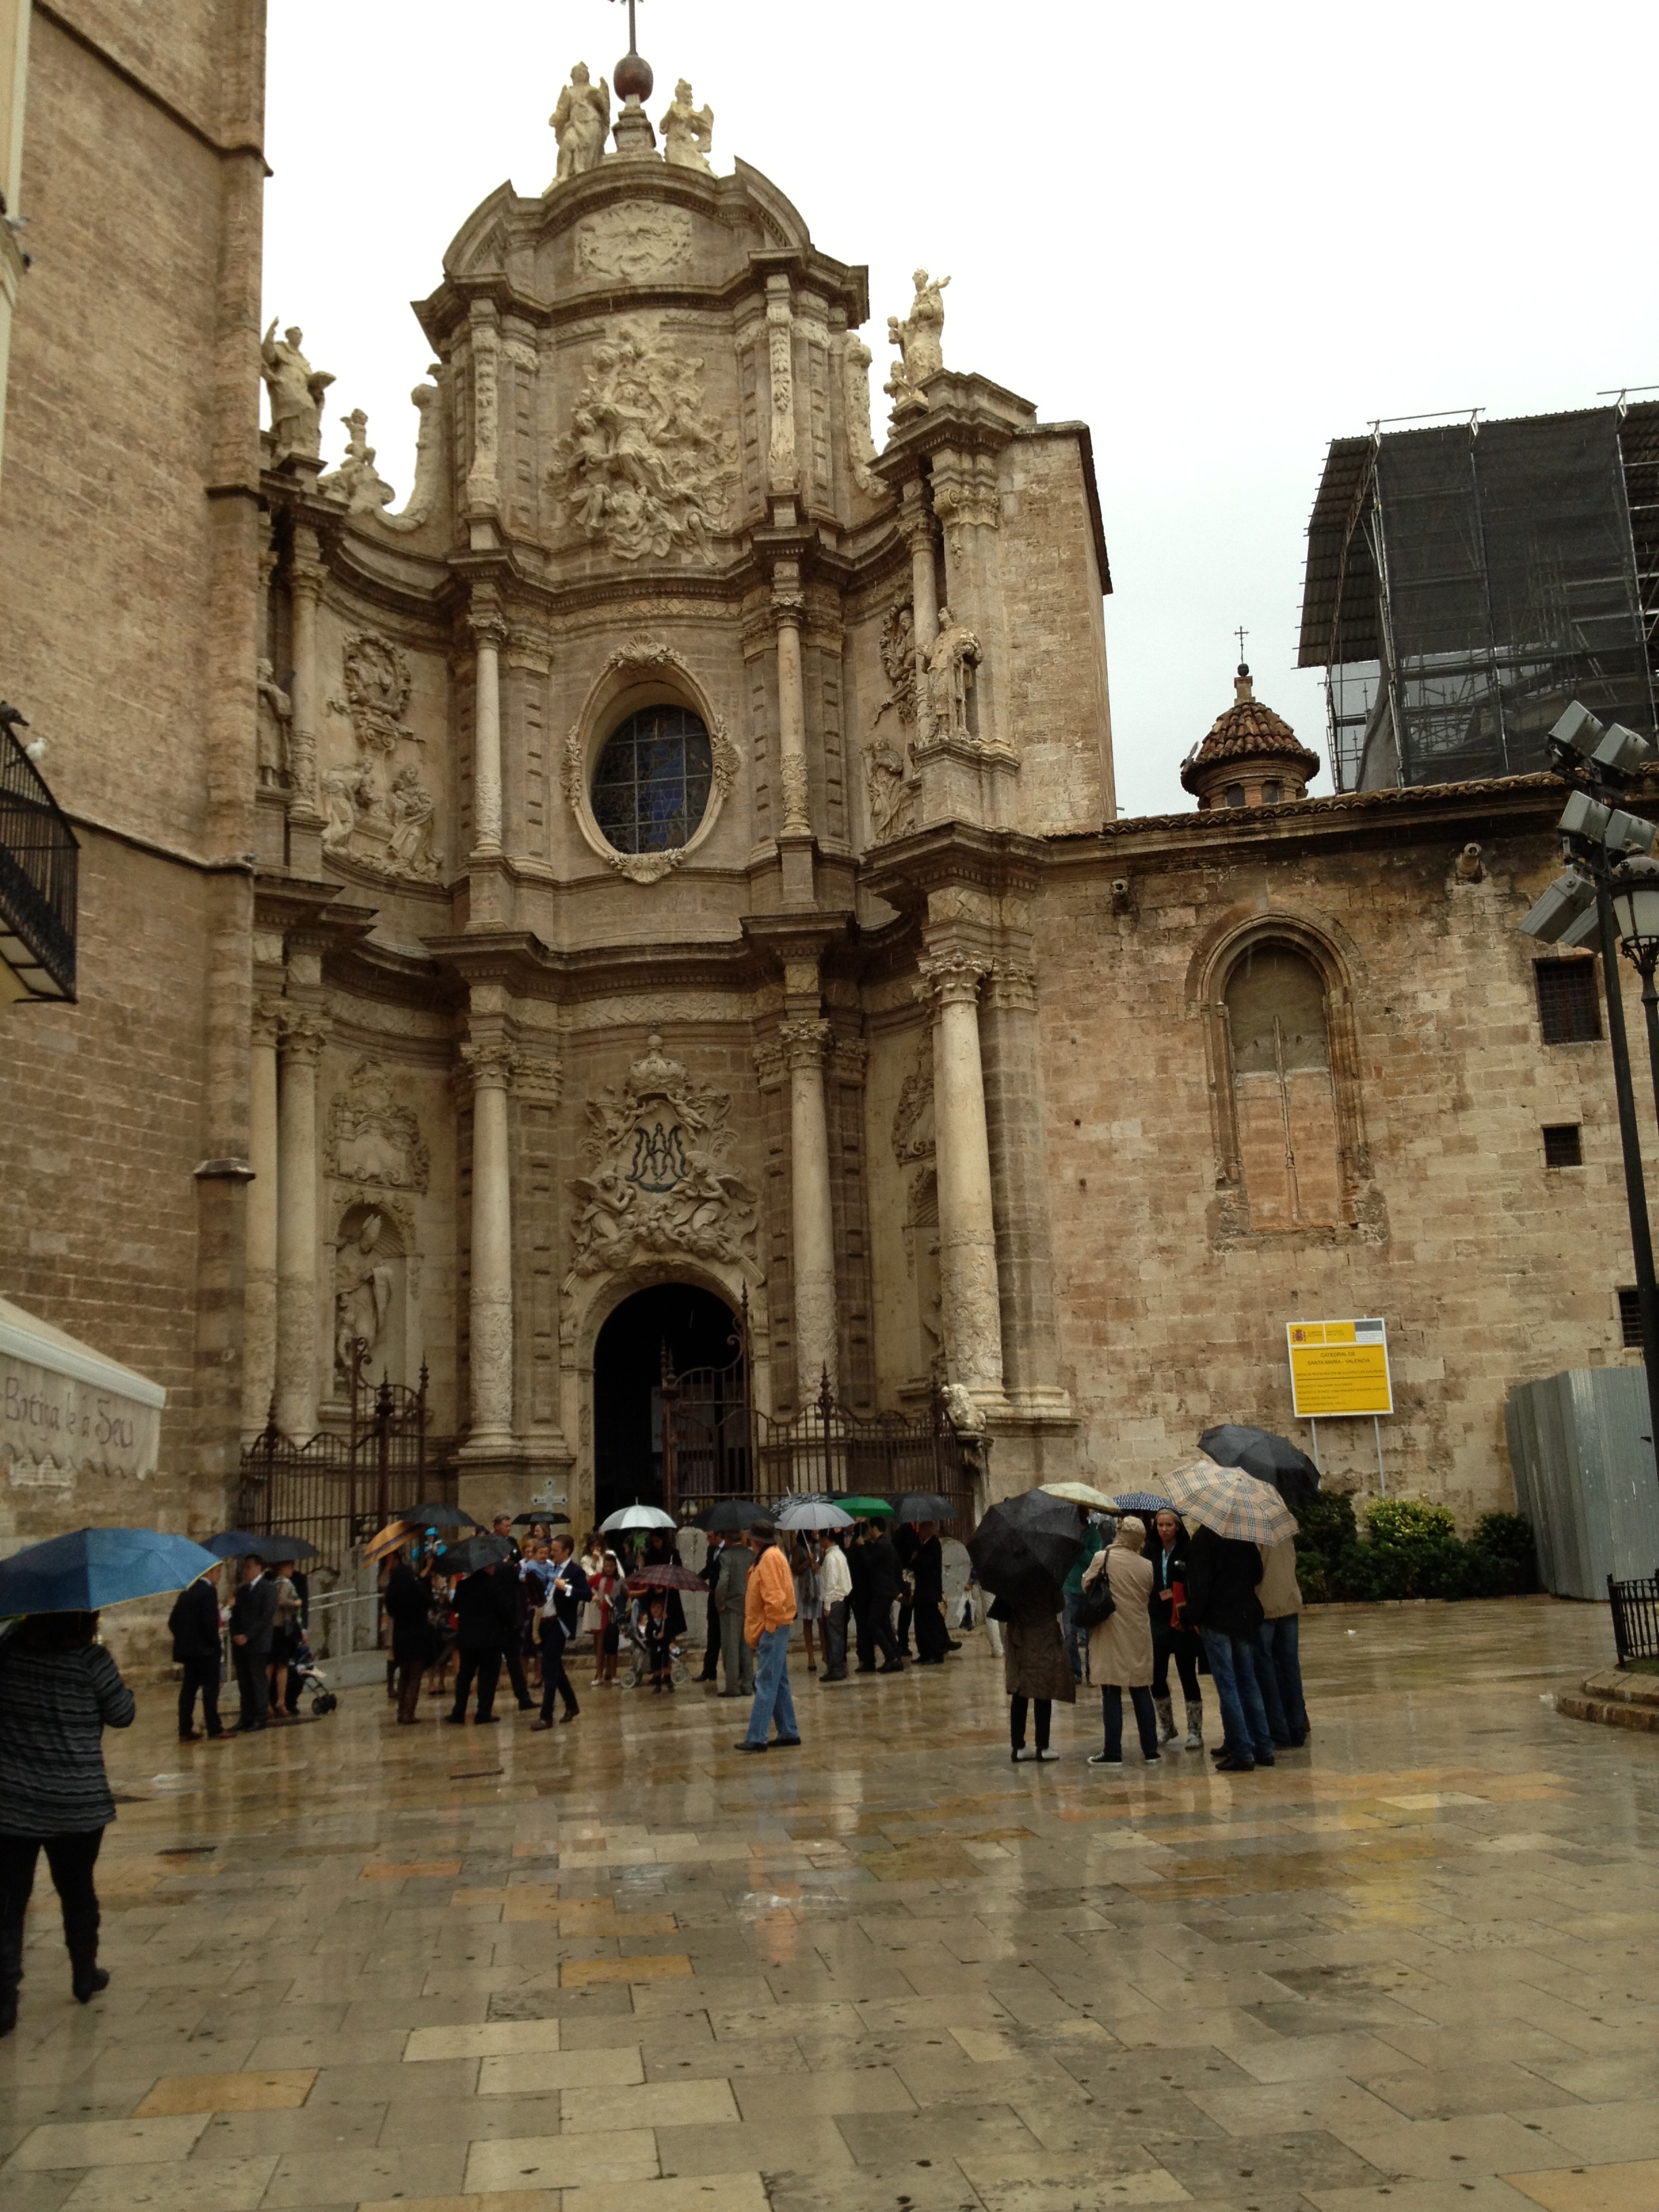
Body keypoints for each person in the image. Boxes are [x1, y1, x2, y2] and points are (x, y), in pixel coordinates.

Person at [0, 1611, 136, 2034]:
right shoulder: (91, 1660)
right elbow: (123, 1714)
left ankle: (4, 2001)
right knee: (78, 1890)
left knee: (8, 1904)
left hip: (13, 1802)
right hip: (78, 1802)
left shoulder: (7, 1655)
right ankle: (84, 1974)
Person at [1184, 1524, 1273, 1772]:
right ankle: (1264, 1747)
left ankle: (1243, 1751)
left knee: (1228, 1685)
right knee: (1248, 1681)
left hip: (1217, 1619)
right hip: (1243, 1616)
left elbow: (1199, 1582)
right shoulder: (1243, 1533)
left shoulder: (1204, 1537)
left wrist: (1193, 1616)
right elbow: (1257, 1573)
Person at [1081, 1521, 1160, 1767]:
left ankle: (1113, 1751)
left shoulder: (1103, 1558)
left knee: (1111, 1689)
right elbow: (1147, 1592)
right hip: (1138, 1632)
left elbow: (1087, 1584)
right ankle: (1151, 1750)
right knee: (1141, 1688)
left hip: (1111, 1630)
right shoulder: (1147, 1565)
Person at [737, 1521, 799, 1752]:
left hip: (772, 1628)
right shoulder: (768, 1556)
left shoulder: (770, 1558)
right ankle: (788, 1731)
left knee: (765, 1682)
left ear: (758, 1540)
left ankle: (757, 1737)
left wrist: (770, 1628)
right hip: (773, 1627)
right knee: (778, 1681)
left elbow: (775, 1598)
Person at [1148, 1509, 1205, 1751]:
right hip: (1159, 1618)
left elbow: (1194, 1581)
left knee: (1187, 1674)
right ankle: (1167, 1725)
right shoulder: (1151, 1550)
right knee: (1156, 1675)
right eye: (1160, 1525)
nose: (1164, 1529)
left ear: (1178, 1527)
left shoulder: (1187, 1550)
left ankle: (1195, 1730)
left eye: (1169, 1525)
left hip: (1182, 1618)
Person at [1002, 1590, 1074, 1761]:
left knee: (1020, 1691)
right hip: (1042, 1638)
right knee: (1043, 1689)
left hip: (1019, 1639)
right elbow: (1059, 1604)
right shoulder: (1046, 1581)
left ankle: (1018, 1746)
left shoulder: (1012, 1583)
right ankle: (1043, 1746)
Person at [1254, 1535, 1307, 1749]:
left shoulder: (1253, 1532)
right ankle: (1298, 1728)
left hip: (1264, 1606)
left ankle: (1278, 1729)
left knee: (1266, 1668)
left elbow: (1253, 1571)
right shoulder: (1284, 1530)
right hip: (1289, 1601)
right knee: (1290, 1666)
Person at [531, 1536, 588, 1728]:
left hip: (559, 1623)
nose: (551, 1553)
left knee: (548, 1667)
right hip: (544, 1623)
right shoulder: (550, 1568)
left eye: (555, 1550)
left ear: (566, 1551)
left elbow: (587, 1594)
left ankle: (546, 1716)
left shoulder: (575, 1571)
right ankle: (572, 1705)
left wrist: (567, 1588)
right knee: (555, 1666)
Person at [447, 1563, 513, 1724]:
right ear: (487, 1567)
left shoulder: (463, 1586)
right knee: (488, 1677)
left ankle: (458, 1711)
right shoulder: (495, 1585)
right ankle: (483, 1712)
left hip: (468, 1638)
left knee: (465, 1675)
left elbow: (455, 1606)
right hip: (491, 1639)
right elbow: (504, 1610)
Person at [169, 1563, 226, 1741]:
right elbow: (210, 1623)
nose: (220, 1576)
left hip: (189, 1651)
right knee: (210, 1689)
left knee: (189, 1689)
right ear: (208, 1573)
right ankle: (214, 1728)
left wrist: (185, 1638)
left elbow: (173, 1621)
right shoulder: (209, 1592)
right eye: (218, 1572)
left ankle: (185, 1729)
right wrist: (214, 1643)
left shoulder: (187, 1592)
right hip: (207, 1651)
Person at [384, 1546, 434, 1723]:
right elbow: (427, 1601)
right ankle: (409, 1713)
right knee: (415, 1676)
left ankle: (401, 1712)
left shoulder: (393, 1586)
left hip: (401, 1635)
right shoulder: (414, 1583)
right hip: (418, 1634)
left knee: (404, 1675)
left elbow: (390, 1609)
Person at [230, 1553, 279, 1732]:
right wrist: (236, 1634)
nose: (246, 1571)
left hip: (257, 1643)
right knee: (244, 1682)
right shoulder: (242, 1591)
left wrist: (248, 1636)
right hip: (241, 1644)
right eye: (244, 1567)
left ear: (259, 1567)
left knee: (258, 1680)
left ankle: (260, 1716)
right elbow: (235, 1615)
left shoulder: (268, 1588)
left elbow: (266, 1616)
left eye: (249, 1567)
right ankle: (246, 1716)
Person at [857, 1523, 905, 1673]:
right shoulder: (887, 1543)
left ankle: (891, 1656)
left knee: (872, 1623)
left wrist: (862, 1546)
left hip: (882, 1591)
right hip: (888, 1590)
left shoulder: (881, 1545)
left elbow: (868, 1562)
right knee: (885, 1624)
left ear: (874, 1528)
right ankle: (896, 1657)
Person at [714, 1525, 755, 1698]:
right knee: (746, 1646)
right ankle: (747, 1684)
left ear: (728, 1539)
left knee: (731, 1647)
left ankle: (732, 1686)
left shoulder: (726, 1557)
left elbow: (723, 1582)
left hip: (731, 1606)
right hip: (749, 1605)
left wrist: (720, 1602)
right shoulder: (752, 1555)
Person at [909, 1521, 950, 1664]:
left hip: (929, 1592)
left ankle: (935, 1654)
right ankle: (925, 1653)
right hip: (922, 1592)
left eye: (921, 1529)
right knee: (921, 1625)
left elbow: (924, 1564)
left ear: (928, 1531)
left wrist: (916, 1559)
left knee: (930, 1625)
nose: (919, 1532)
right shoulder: (923, 1546)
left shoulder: (933, 1544)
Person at [816, 1528, 852, 1683]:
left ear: (826, 1539)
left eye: (820, 1538)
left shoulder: (831, 1558)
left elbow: (831, 1583)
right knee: (836, 1635)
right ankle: (836, 1666)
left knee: (833, 1637)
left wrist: (827, 1605)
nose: (819, 1542)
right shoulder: (839, 1554)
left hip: (834, 1601)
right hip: (840, 1600)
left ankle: (836, 1668)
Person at [790, 1532, 822, 1674]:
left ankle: (825, 1653)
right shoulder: (798, 1549)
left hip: (818, 1583)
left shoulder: (818, 1546)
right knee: (808, 1623)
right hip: (805, 1586)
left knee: (822, 1621)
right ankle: (811, 1657)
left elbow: (822, 1563)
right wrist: (806, 1563)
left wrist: (817, 1565)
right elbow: (794, 1570)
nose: (816, 1533)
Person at [698, 1533, 726, 1685]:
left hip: (725, 1598)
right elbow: (709, 1569)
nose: (707, 1540)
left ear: (718, 1536)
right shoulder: (711, 1550)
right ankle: (709, 1670)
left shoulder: (728, 1550)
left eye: (710, 1537)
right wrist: (697, 1579)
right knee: (712, 1635)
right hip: (713, 1596)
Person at [893, 1519, 919, 1658]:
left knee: (907, 1611)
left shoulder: (905, 1531)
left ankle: (903, 1642)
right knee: (906, 1611)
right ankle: (903, 1643)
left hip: (908, 1576)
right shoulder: (907, 1532)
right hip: (908, 1577)